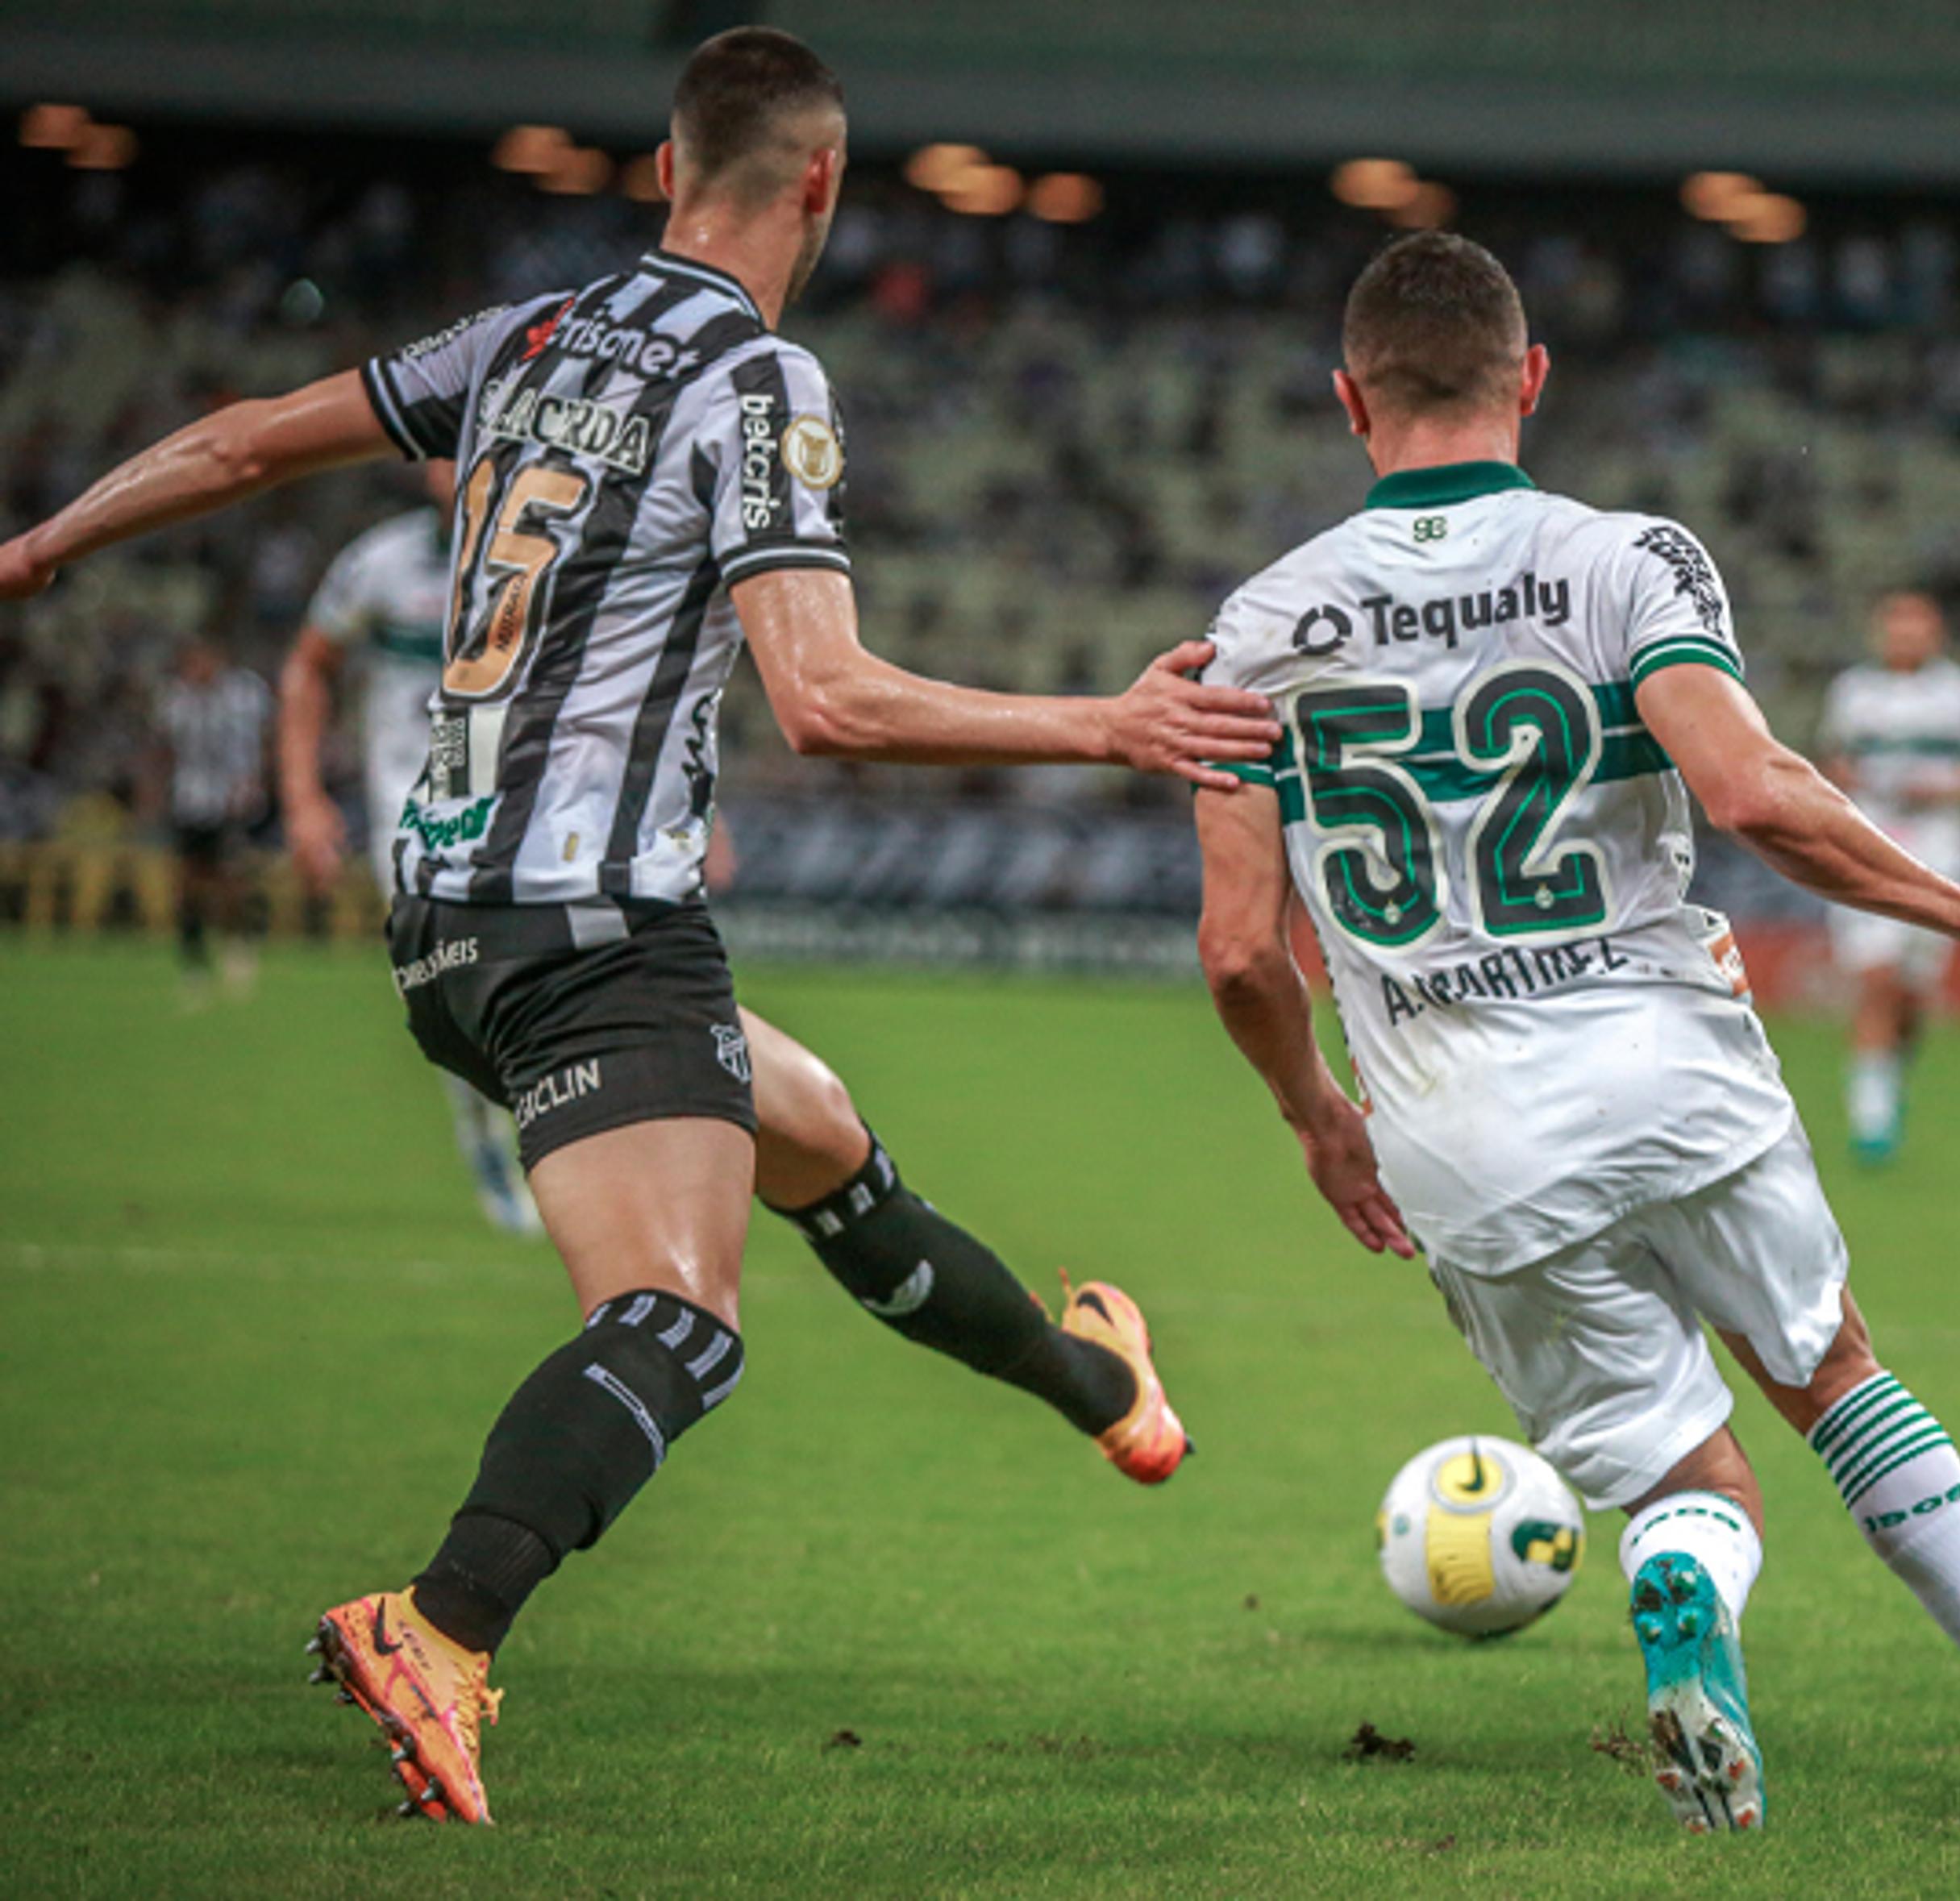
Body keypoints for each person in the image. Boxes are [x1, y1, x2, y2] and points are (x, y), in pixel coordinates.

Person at [0, 27, 1282, 1824]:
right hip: (593, 921)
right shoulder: (755, 378)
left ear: (668, 170)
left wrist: (38, 551)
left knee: (823, 1141)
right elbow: (825, 698)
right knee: (680, 1323)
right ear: (822, 183)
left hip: (448, 916)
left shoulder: (522, 337)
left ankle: (1102, 1389)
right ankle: (438, 1631)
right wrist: (1110, 722)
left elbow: (232, 444)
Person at [1192, 232, 1960, 1833]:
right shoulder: (1627, 558)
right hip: (1667, 1066)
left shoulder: (1259, 627)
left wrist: (1317, 1117)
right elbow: (1753, 792)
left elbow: (1239, 953)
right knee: (1836, 1376)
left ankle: (1689, 1589)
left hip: (1451, 1127)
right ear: (1535, 380)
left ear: (1348, 399)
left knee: (1689, 1482)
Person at [279, 464, 539, 1232]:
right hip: (412, 811)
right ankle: (490, 1136)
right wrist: (303, 800)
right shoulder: (377, 564)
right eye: (442, 453)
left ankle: (548, 1137)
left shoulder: (539, 560)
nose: (457, 470)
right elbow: (308, 666)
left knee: (538, 975)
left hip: (522, 796)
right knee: (461, 982)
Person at [1816, 591, 1960, 1163]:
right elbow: (1831, 763)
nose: (1906, 638)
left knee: (1911, 989)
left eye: (1917, 628)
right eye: (1897, 628)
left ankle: (1889, 1073)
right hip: (1868, 838)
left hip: (1939, 844)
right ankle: (1872, 1118)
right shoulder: (1853, 693)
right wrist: (1856, 779)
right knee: (1875, 977)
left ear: (1936, 634)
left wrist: (1943, 789)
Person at [153, 636, 273, 1004]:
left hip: (233, 801)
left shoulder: (246, 693)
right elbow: (163, 751)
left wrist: (258, 780)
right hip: (190, 801)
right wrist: (157, 795)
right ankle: (194, 959)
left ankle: (238, 946)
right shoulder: (174, 700)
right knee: (189, 881)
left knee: (231, 878)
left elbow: (268, 739)